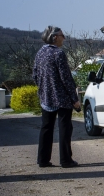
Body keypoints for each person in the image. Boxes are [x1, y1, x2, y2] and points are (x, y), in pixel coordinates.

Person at [32, 26, 81, 168]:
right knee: (65, 128)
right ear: (55, 37)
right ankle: (66, 160)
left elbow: (35, 75)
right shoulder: (58, 54)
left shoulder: (40, 53)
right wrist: (74, 99)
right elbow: (66, 78)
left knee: (46, 128)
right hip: (62, 98)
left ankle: (43, 160)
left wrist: (43, 89)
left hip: (46, 98)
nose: (63, 38)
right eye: (62, 35)